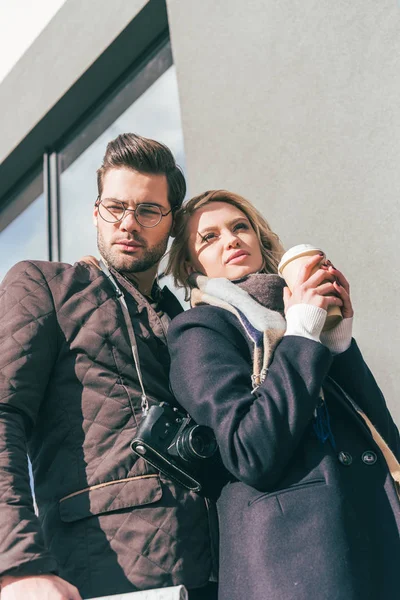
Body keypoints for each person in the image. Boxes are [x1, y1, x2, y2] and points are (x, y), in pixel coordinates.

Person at [0, 134, 218, 600]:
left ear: (172, 223)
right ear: (96, 210)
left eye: (147, 211)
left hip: (222, 570)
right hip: (103, 575)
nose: (128, 224)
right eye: (115, 207)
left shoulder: (189, 322)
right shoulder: (45, 284)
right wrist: (17, 566)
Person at [166, 189, 400, 600]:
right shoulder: (199, 330)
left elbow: (384, 445)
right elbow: (249, 450)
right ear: (189, 264)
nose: (232, 240)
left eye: (241, 227)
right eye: (210, 237)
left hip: (372, 545)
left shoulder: (294, 318)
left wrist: (337, 341)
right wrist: (304, 332)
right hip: (295, 565)